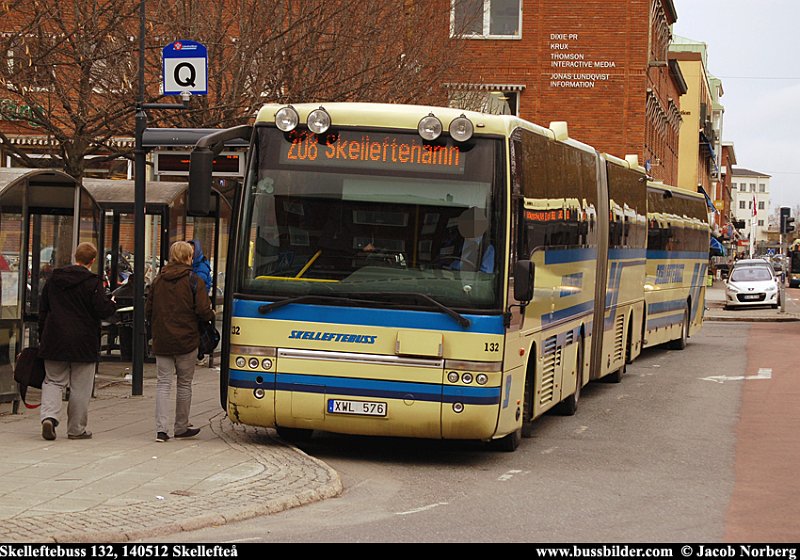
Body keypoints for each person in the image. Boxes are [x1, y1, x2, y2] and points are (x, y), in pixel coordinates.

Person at [38, 242, 117, 441]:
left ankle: (49, 417)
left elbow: (43, 309)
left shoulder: (54, 279)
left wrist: (43, 335)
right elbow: (101, 309)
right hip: (84, 340)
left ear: (75, 256)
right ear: (92, 261)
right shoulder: (93, 282)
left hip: (55, 337)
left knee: (53, 381)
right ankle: (76, 429)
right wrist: (111, 304)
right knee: (81, 386)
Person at [145, 241, 214, 443]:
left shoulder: (158, 281)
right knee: (184, 384)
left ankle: (161, 430)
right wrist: (210, 314)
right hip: (187, 339)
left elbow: (149, 310)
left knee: (163, 384)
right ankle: (181, 426)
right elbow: (203, 311)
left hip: (163, 339)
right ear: (188, 258)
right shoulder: (194, 281)